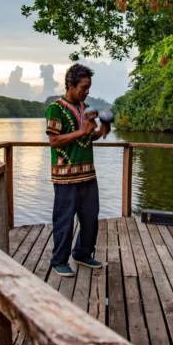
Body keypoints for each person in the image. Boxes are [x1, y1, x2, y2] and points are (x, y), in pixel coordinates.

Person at [45, 64, 111, 277]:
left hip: (88, 173)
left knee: (90, 216)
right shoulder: (55, 108)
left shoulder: (87, 108)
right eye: (83, 87)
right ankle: (59, 260)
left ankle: (82, 253)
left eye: (89, 87)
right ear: (70, 85)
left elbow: (90, 136)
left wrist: (102, 130)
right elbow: (54, 141)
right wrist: (82, 130)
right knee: (64, 218)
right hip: (65, 176)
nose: (87, 91)